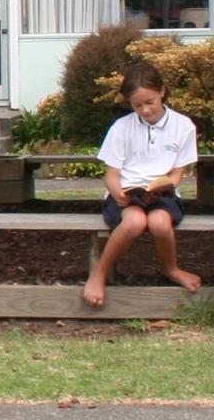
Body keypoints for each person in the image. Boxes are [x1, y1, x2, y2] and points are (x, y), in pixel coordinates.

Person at [82, 60, 202, 308]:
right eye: (137, 105)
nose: (145, 110)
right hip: (126, 193)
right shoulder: (122, 127)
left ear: (162, 92)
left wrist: (165, 186)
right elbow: (112, 174)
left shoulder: (183, 126)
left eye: (150, 102)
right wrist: (119, 195)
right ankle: (99, 273)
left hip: (162, 193)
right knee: (135, 221)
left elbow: (178, 173)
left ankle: (172, 269)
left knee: (159, 222)